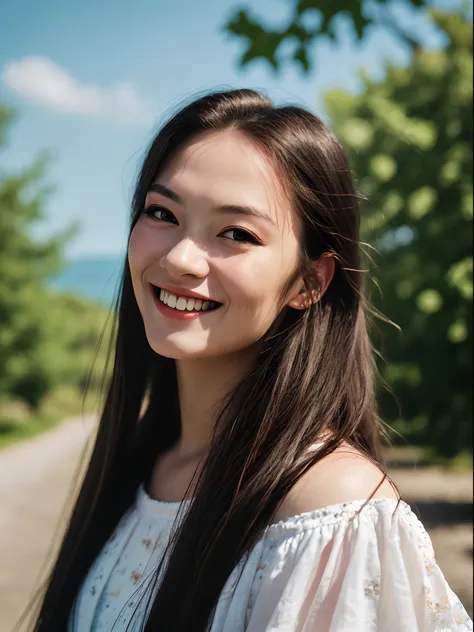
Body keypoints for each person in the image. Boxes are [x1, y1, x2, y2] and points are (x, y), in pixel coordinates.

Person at [32, 89, 472, 631]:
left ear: (310, 282)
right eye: (161, 213)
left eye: (236, 233)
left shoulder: (327, 510)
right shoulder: (145, 464)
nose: (179, 258)